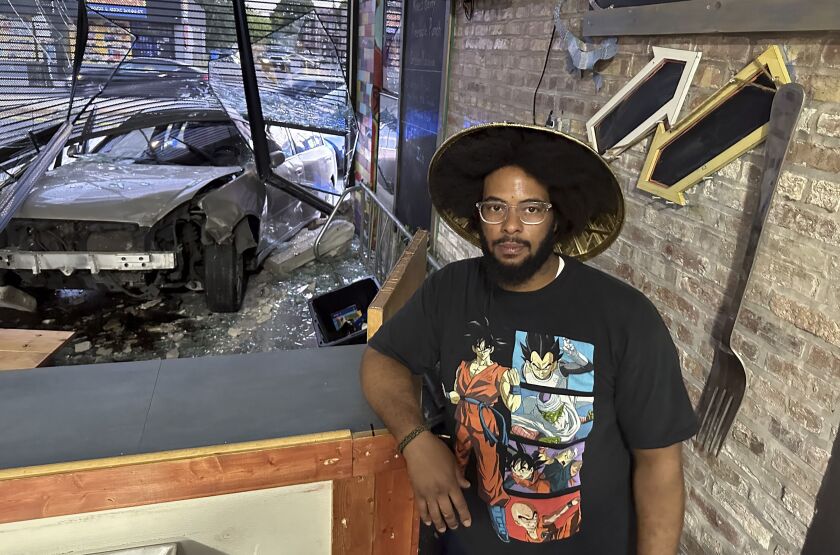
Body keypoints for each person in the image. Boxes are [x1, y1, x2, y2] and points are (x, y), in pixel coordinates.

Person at [360, 123, 698, 554]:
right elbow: (382, 359)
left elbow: (660, 469)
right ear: (478, 214)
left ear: (558, 217)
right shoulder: (451, 289)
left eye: (532, 208)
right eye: (495, 208)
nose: (511, 226)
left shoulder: (625, 317)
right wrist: (414, 439)